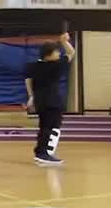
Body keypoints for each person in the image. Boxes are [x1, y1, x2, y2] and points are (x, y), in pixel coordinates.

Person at [24, 32, 75, 166]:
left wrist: (31, 96)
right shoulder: (56, 65)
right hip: (53, 102)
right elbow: (71, 52)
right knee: (51, 128)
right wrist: (64, 42)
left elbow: (28, 80)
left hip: (41, 101)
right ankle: (45, 154)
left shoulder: (33, 66)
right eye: (56, 52)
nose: (58, 54)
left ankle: (40, 152)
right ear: (49, 54)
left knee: (44, 127)